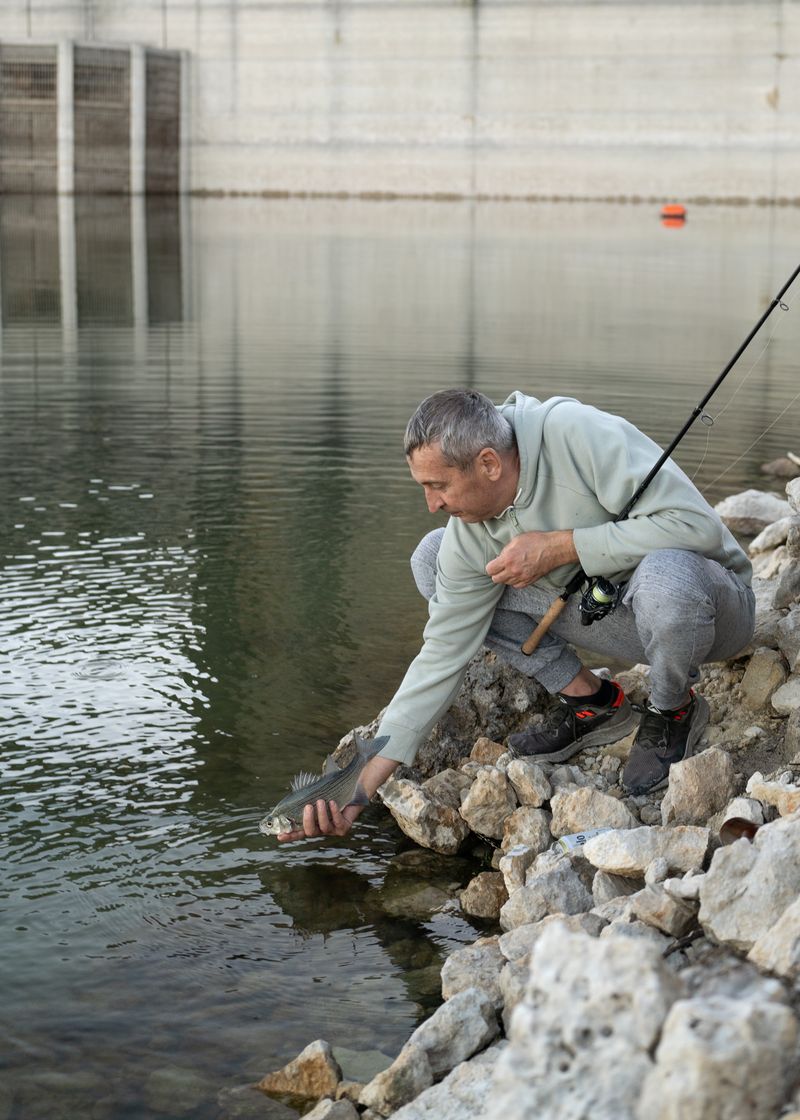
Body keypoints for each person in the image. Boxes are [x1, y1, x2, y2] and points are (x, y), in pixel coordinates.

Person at [277, 388, 755, 842]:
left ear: (488, 463)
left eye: (438, 486)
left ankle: (673, 707)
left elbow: (698, 528)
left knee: (666, 577)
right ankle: (594, 703)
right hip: (612, 617)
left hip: (710, 612)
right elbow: (441, 655)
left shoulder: (579, 434)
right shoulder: (469, 533)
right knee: (431, 557)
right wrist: (357, 789)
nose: (432, 504)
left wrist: (564, 546)